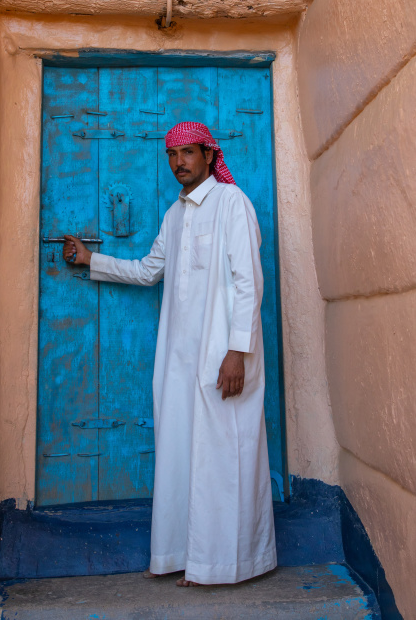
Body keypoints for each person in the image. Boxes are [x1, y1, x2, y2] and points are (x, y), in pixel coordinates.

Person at [63, 121, 277, 587]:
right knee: (183, 456)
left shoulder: (231, 204)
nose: (179, 162)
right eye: (172, 155)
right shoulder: (174, 216)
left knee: (224, 458)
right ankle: (185, 557)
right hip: (179, 362)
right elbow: (147, 271)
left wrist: (237, 351)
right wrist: (92, 260)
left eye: (188, 153)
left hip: (225, 356)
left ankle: (228, 563)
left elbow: (249, 283)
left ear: (207, 154)